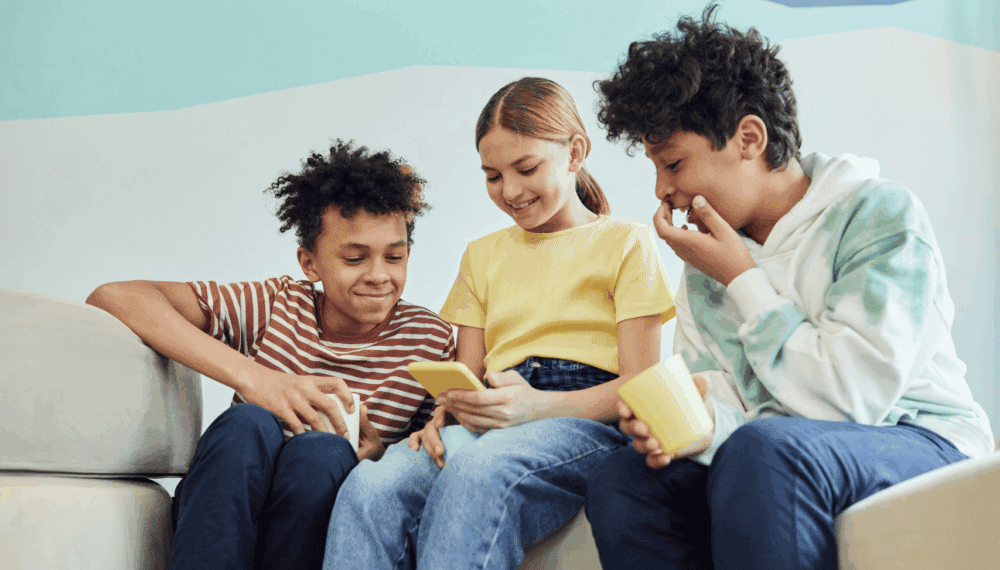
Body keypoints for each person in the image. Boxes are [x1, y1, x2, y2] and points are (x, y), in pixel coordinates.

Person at [583, 5, 996, 570]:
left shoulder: (878, 215)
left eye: (674, 163)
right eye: (656, 167)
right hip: (778, 442)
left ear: (748, 137)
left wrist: (744, 280)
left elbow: (851, 397)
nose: (663, 191)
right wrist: (691, 421)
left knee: (766, 452)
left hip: (917, 431)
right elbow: (734, 397)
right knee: (622, 479)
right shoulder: (707, 260)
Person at [322, 77, 676, 570]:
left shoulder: (627, 243)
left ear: (575, 152)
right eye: (492, 175)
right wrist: (446, 413)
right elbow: (466, 377)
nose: (509, 190)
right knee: (371, 485)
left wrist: (537, 407)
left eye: (526, 168)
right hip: (492, 412)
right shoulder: (481, 255)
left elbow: (641, 383)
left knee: (478, 470)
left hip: (585, 421)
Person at [85, 140, 455, 570]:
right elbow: (115, 296)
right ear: (310, 263)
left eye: (395, 256)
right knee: (247, 420)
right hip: (224, 515)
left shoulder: (431, 341)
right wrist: (255, 379)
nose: (378, 275)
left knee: (322, 453)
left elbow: (435, 457)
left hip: (317, 521)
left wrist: (378, 455)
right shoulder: (278, 304)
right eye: (354, 258)